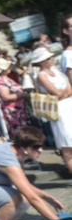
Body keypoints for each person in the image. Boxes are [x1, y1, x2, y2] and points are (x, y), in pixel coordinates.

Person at [33, 47, 72, 175]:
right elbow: (56, 93)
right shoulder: (41, 75)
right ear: (42, 61)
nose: (51, 59)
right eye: (48, 58)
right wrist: (64, 92)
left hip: (68, 105)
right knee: (66, 142)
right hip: (58, 109)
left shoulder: (57, 71)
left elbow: (68, 89)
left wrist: (64, 93)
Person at [0, 57, 31, 137]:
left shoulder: (6, 78)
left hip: (19, 110)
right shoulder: (1, 80)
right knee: (20, 134)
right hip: (13, 112)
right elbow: (6, 97)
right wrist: (22, 95)